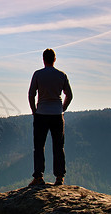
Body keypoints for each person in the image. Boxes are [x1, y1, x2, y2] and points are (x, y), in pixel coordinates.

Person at [28, 48, 73, 186]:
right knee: (59, 146)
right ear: (54, 59)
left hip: (41, 114)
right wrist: (62, 108)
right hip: (57, 115)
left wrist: (34, 110)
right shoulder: (61, 75)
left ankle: (38, 177)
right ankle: (59, 177)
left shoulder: (38, 74)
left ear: (43, 59)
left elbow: (31, 94)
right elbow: (69, 95)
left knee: (39, 146)